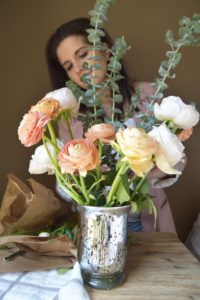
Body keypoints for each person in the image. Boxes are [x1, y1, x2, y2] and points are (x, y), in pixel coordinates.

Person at [45, 17, 187, 234]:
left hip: (151, 221)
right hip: (100, 229)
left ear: (105, 50)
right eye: (68, 66)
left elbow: (178, 160)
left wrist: (143, 166)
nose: (79, 69)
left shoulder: (149, 95)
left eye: (83, 54)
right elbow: (67, 183)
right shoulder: (69, 120)